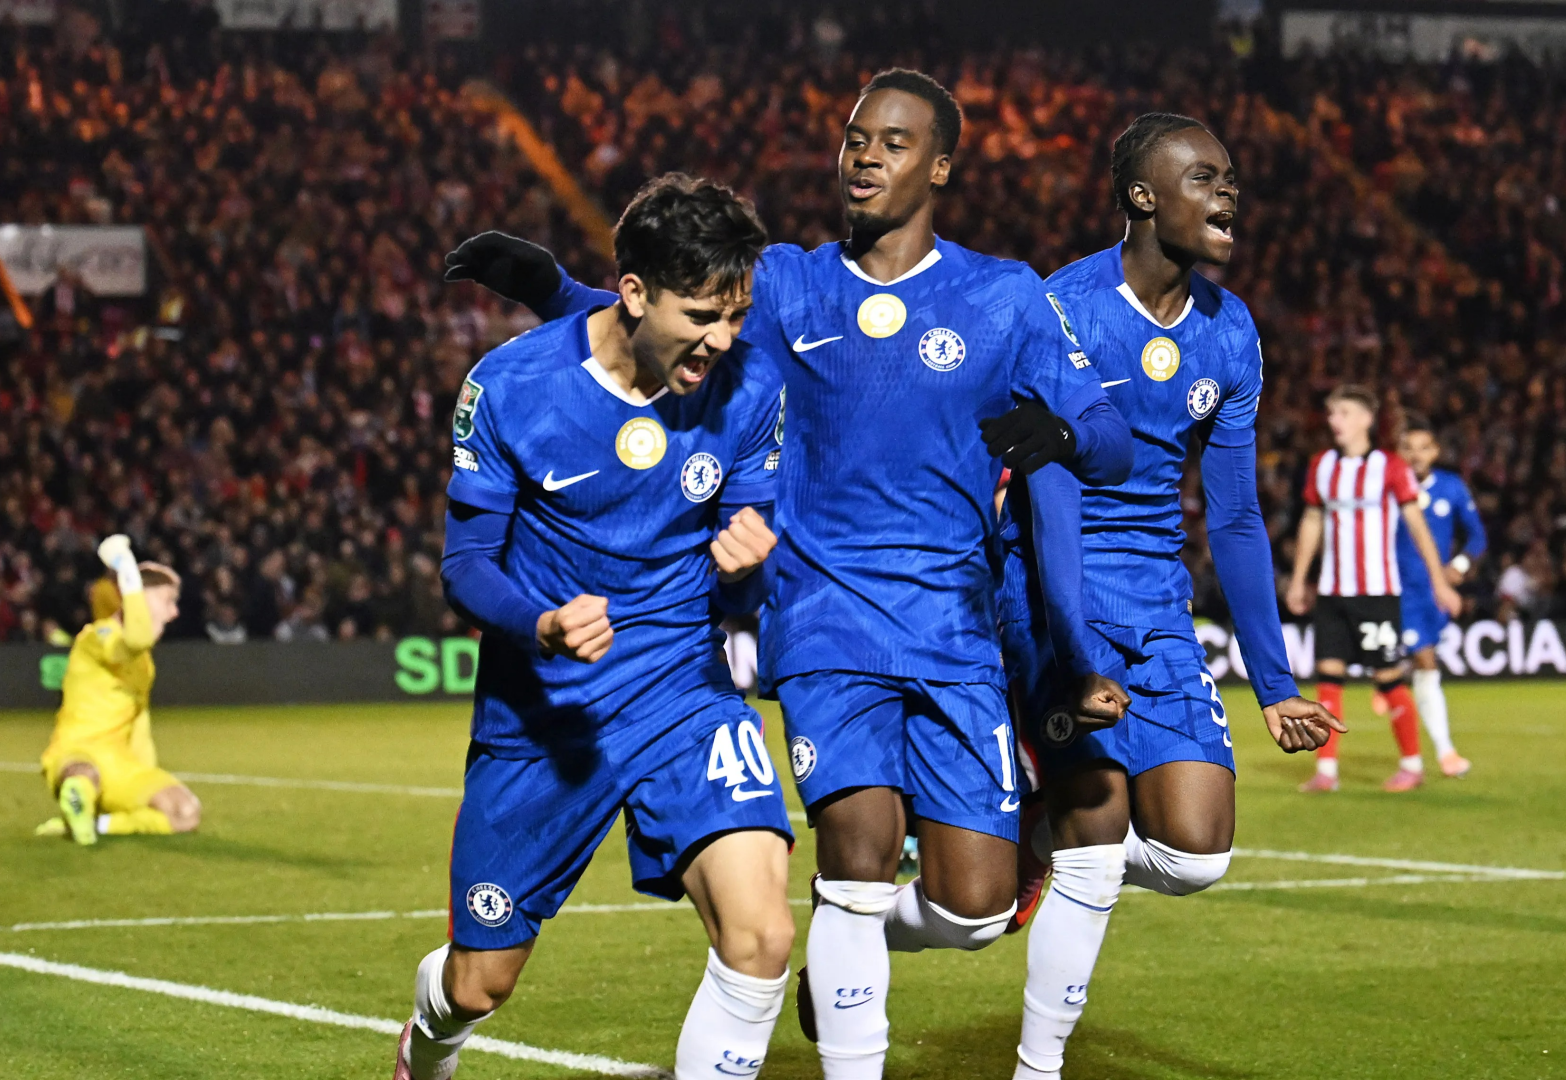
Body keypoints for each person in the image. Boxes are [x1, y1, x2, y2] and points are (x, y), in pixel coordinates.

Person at [451, 69, 1134, 1080]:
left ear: (941, 167)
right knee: (853, 857)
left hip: (953, 624)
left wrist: (1068, 435)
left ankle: (855, 954)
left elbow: (1112, 436)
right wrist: (547, 284)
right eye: (855, 137)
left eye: (893, 142)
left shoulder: (1005, 297)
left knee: (974, 907)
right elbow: (661, 307)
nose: (865, 155)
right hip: (818, 613)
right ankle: (847, 997)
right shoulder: (785, 283)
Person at [399, 174, 795, 1080]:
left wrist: (750, 566)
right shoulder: (512, 386)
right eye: (702, 315)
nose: (722, 338)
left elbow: (749, 570)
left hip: (681, 692)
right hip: (546, 715)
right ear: (635, 293)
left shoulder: (748, 386)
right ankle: (429, 1040)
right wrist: (540, 624)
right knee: (478, 986)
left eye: (735, 315)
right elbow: (466, 566)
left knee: (762, 935)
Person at [996, 113, 1343, 1080]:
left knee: (1197, 854)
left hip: (1156, 600)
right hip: (1052, 590)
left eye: (1230, 176)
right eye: (1204, 176)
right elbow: (1049, 497)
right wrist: (1070, 655)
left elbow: (1234, 517)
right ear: (1142, 196)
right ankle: (1037, 1068)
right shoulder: (1063, 308)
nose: (1228, 191)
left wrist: (1274, 682)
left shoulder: (1231, 332)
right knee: (1101, 839)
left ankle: (1035, 833)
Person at [1286, 385, 1461, 793]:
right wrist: (1298, 579)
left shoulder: (1390, 466)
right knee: (1328, 677)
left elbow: (1417, 525)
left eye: (1344, 413)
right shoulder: (1322, 465)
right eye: (1332, 413)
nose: (1335, 421)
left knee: (1388, 678)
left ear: (1366, 419)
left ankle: (1412, 765)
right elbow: (1312, 520)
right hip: (1332, 591)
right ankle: (1326, 772)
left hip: (1377, 593)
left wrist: (1439, 581)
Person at [35, 535, 200, 845]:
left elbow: (140, 726)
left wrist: (146, 777)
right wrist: (125, 568)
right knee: (83, 776)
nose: (174, 612)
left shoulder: (144, 663)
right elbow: (135, 638)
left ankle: (95, 823)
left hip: (120, 765)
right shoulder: (97, 635)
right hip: (77, 752)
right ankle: (79, 799)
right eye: (168, 601)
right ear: (140, 598)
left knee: (185, 812)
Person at [1393, 414, 1487, 778]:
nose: (1416, 455)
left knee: (1421, 665)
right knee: (1427, 663)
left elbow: (1477, 536)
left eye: (1423, 448)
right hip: (1397, 590)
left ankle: (1390, 677)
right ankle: (1445, 752)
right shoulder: (1387, 489)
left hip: (1433, 594)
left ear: (1435, 451)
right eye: (1408, 448)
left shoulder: (1451, 487)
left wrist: (1459, 565)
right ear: (1398, 452)